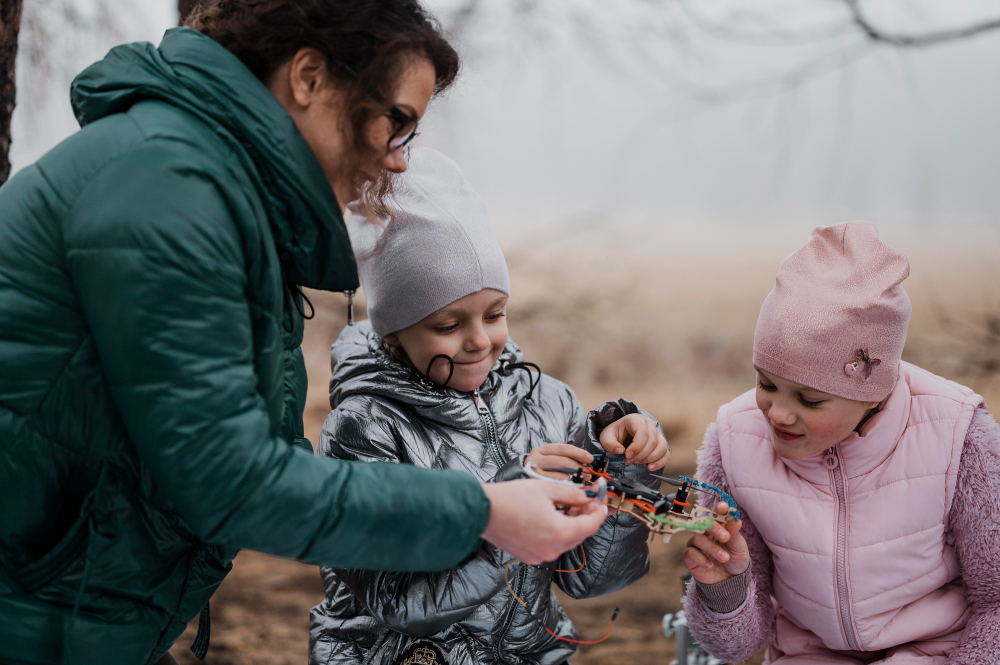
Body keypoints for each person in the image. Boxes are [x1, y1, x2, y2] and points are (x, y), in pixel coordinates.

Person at [0, 3, 605, 663]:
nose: (400, 161)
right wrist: (481, 511)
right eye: (396, 122)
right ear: (310, 78)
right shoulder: (166, 188)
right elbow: (235, 482)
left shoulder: (219, 192)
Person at [309, 147, 670, 665]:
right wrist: (502, 514)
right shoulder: (364, 428)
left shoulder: (550, 404)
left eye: (495, 313)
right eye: (448, 326)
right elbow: (398, 600)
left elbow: (593, 579)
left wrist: (622, 469)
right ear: (395, 334)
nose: (480, 341)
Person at [680, 221, 1000, 664]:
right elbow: (735, 645)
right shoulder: (735, 442)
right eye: (766, 384)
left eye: (810, 399)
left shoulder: (958, 435)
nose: (777, 414)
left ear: (874, 390)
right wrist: (725, 589)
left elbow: (996, 599)